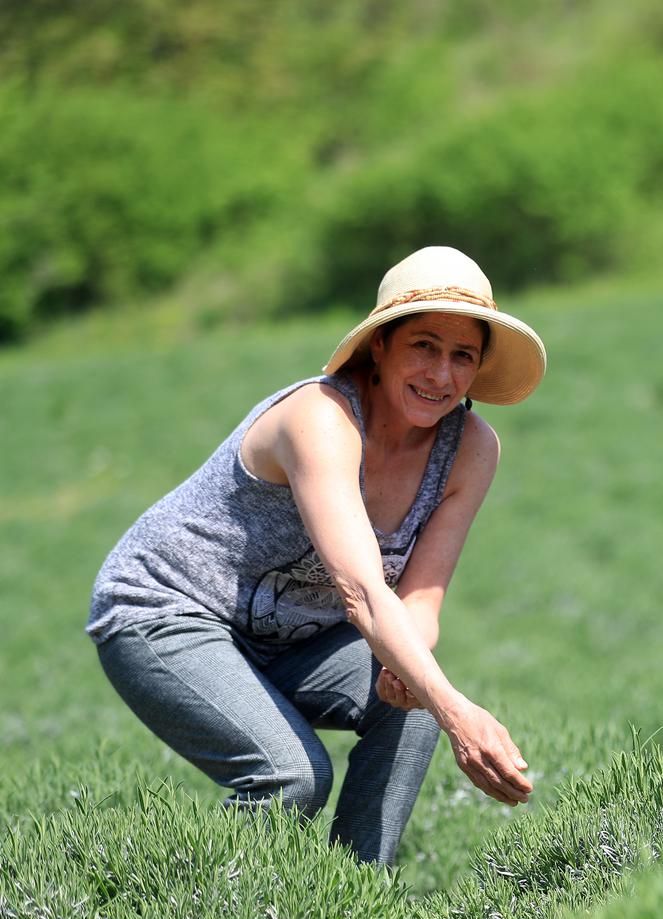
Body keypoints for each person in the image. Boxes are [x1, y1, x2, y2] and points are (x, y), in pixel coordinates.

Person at [87, 246, 543, 865]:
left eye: (463, 355)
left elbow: (422, 596)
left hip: (290, 640)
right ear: (380, 345)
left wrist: (416, 681)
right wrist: (461, 714)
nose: (441, 374)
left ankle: (351, 914)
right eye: (424, 346)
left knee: (410, 703)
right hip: (167, 611)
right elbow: (360, 590)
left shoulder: (471, 449)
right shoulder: (320, 418)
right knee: (290, 777)